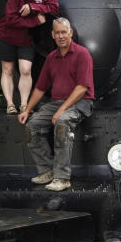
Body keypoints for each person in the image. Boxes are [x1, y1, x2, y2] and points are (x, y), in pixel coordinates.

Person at [17, 18, 94, 192]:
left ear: (70, 33)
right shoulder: (51, 58)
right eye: (57, 32)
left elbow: (82, 88)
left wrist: (60, 111)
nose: (61, 36)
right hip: (57, 102)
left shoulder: (82, 54)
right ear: (52, 35)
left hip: (81, 102)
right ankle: (47, 171)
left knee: (62, 124)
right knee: (32, 126)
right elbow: (40, 87)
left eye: (64, 32)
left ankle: (62, 178)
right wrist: (27, 110)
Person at [0, 0, 60, 114]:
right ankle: (10, 104)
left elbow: (54, 7)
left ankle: (24, 104)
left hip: (25, 37)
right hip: (7, 35)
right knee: (8, 69)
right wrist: (35, 20)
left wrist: (33, 7)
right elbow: (11, 19)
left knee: (25, 70)